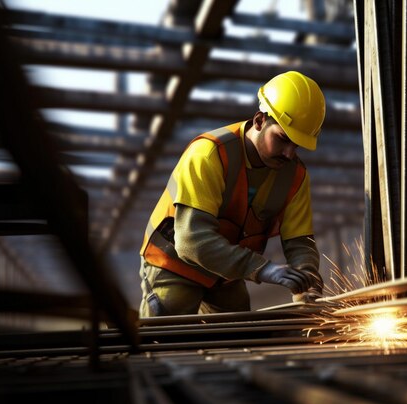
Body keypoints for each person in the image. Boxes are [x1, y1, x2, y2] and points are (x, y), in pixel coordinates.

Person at [138, 71, 326, 316]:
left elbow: (300, 242)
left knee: (237, 335)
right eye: (282, 139)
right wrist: (264, 269)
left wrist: (307, 278)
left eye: (297, 145)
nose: (290, 153)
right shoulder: (209, 154)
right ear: (259, 121)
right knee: (165, 331)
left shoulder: (296, 176)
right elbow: (191, 240)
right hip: (174, 264)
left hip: (225, 274)